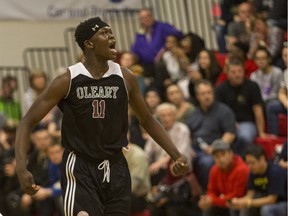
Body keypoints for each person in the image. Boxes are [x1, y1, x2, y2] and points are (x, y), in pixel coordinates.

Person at [15, 17, 189, 216]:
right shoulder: (68, 80)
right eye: (104, 33)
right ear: (89, 43)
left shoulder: (125, 77)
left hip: (116, 168)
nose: (111, 36)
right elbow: (27, 121)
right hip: (80, 168)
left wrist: (176, 155)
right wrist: (21, 167)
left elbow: (147, 120)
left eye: (111, 32)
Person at [185, 80, 236, 190]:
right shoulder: (194, 113)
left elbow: (230, 133)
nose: (207, 96)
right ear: (198, 96)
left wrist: (215, 148)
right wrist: (188, 148)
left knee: (206, 162)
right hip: (194, 149)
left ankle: (208, 192)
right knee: (180, 162)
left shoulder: (224, 111)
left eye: (209, 93)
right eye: (203, 94)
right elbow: (187, 134)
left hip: (214, 150)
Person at [215, 56, 266, 156]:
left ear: (244, 72)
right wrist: (230, 124)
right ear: (228, 74)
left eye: (239, 71)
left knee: (244, 136)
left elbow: (257, 110)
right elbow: (218, 112)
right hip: (227, 124)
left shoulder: (252, 86)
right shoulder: (221, 89)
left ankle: (242, 162)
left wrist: (261, 132)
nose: (237, 75)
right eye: (233, 72)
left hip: (247, 123)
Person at [230, 144, 287, 216]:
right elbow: (250, 195)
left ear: (262, 159)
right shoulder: (253, 172)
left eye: (252, 163)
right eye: (248, 163)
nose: (249, 166)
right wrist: (238, 202)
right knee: (237, 207)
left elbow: (271, 200)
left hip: (282, 202)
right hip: (265, 201)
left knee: (266, 209)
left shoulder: (275, 172)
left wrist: (248, 203)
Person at [198, 139, 250, 216]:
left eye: (223, 154)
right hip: (223, 202)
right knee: (208, 207)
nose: (221, 159)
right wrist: (207, 200)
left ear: (231, 153)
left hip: (239, 203)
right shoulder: (214, 169)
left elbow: (237, 195)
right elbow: (211, 191)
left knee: (233, 205)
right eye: (217, 156)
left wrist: (212, 200)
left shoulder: (242, 169)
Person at [131, 8, 183, 77]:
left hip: (162, 64)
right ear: (140, 21)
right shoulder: (139, 34)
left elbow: (179, 34)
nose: (146, 19)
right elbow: (135, 50)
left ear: (152, 17)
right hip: (146, 66)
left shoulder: (162, 27)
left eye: (148, 16)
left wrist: (165, 48)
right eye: (143, 18)